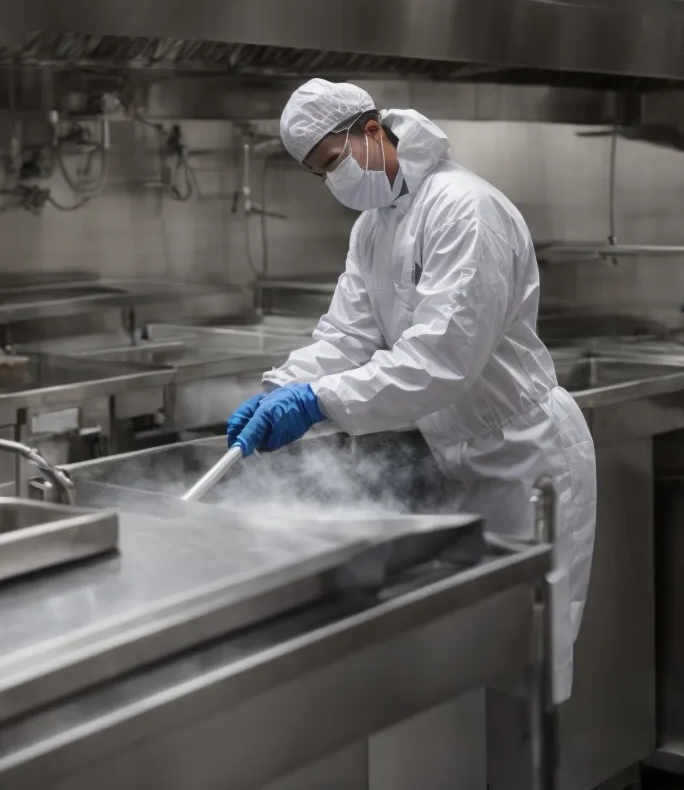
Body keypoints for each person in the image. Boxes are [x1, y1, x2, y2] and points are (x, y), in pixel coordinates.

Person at [226, 79, 597, 703]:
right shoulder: (374, 227)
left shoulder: (463, 208)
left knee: (527, 656)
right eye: (320, 175)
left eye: (331, 163)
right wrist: (282, 386)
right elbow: (347, 333)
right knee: (478, 659)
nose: (332, 183)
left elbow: (441, 359)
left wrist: (319, 403)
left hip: (528, 460)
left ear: (372, 133)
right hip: (458, 456)